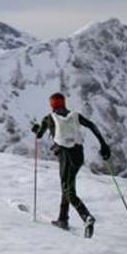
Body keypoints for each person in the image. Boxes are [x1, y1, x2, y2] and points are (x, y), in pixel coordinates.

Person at [31, 92, 112, 236]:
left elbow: (39, 135)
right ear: (63, 103)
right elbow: (92, 126)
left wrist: (36, 129)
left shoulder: (49, 118)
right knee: (68, 185)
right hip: (78, 155)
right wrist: (103, 144)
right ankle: (63, 219)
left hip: (65, 155)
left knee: (68, 189)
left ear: (52, 104)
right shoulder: (75, 115)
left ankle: (86, 216)